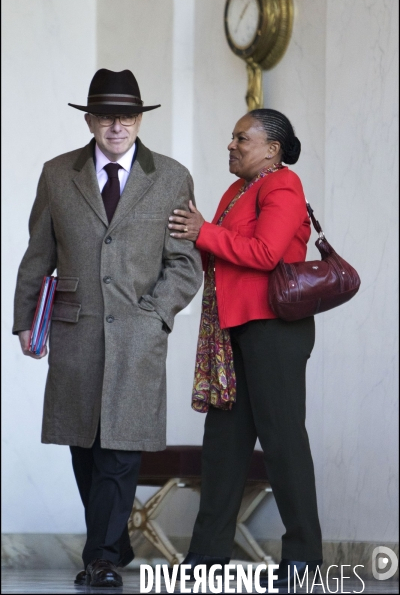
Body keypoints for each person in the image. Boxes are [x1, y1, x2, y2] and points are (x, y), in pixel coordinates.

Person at [13, 68, 203, 588]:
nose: (116, 126)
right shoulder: (57, 174)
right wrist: (28, 320)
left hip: (138, 335)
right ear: (90, 119)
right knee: (84, 446)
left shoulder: (171, 177)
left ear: (139, 119)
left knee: (120, 447)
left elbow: (185, 264)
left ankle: (99, 558)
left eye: (126, 116)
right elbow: (39, 253)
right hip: (74, 331)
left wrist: (156, 313)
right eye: (106, 116)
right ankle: (114, 539)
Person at [168, 108, 323, 589]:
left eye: (242, 138)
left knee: (282, 442)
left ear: (272, 150)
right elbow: (218, 250)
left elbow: (265, 253)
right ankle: (206, 556)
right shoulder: (237, 191)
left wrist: (202, 232)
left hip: (274, 330)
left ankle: (303, 557)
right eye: (232, 137)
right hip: (233, 330)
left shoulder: (283, 186)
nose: (231, 145)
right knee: (222, 447)